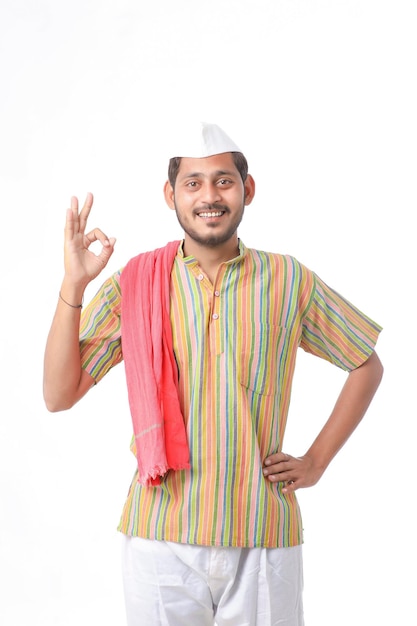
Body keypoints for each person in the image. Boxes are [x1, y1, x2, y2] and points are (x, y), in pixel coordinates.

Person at [43, 122, 383, 626]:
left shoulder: (287, 279)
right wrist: (74, 285)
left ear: (247, 190)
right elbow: (58, 394)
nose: (209, 196)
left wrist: (316, 461)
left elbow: (365, 364)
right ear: (171, 195)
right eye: (193, 183)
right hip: (160, 534)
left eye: (223, 181)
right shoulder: (136, 284)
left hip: (262, 532)